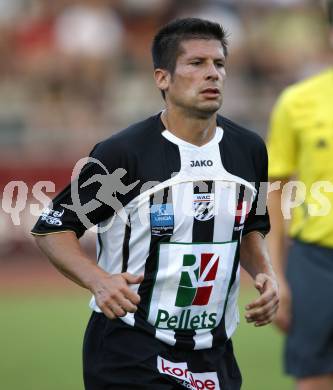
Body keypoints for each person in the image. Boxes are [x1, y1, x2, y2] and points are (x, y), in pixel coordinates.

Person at [32, 18, 278, 390]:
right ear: (162, 78)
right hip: (130, 348)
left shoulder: (248, 150)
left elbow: (251, 229)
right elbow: (53, 227)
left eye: (219, 64)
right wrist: (99, 281)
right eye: (196, 64)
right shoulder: (125, 153)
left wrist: (265, 274)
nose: (212, 74)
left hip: (214, 353)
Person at [266, 2, 333, 389]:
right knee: (312, 378)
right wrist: (276, 275)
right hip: (317, 261)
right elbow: (274, 191)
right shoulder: (297, 101)